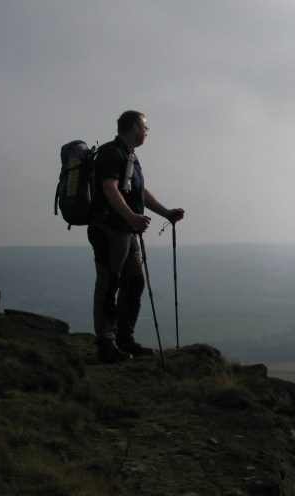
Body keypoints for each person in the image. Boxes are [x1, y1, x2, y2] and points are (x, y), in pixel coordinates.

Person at [88, 110, 185, 363]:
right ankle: (106, 343)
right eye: (145, 127)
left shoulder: (129, 156)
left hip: (126, 231)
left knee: (134, 283)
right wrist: (132, 217)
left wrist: (166, 213)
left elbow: (139, 191)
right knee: (109, 284)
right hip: (110, 230)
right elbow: (109, 188)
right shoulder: (112, 153)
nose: (146, 131)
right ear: (133, 127)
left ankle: (124, 339)